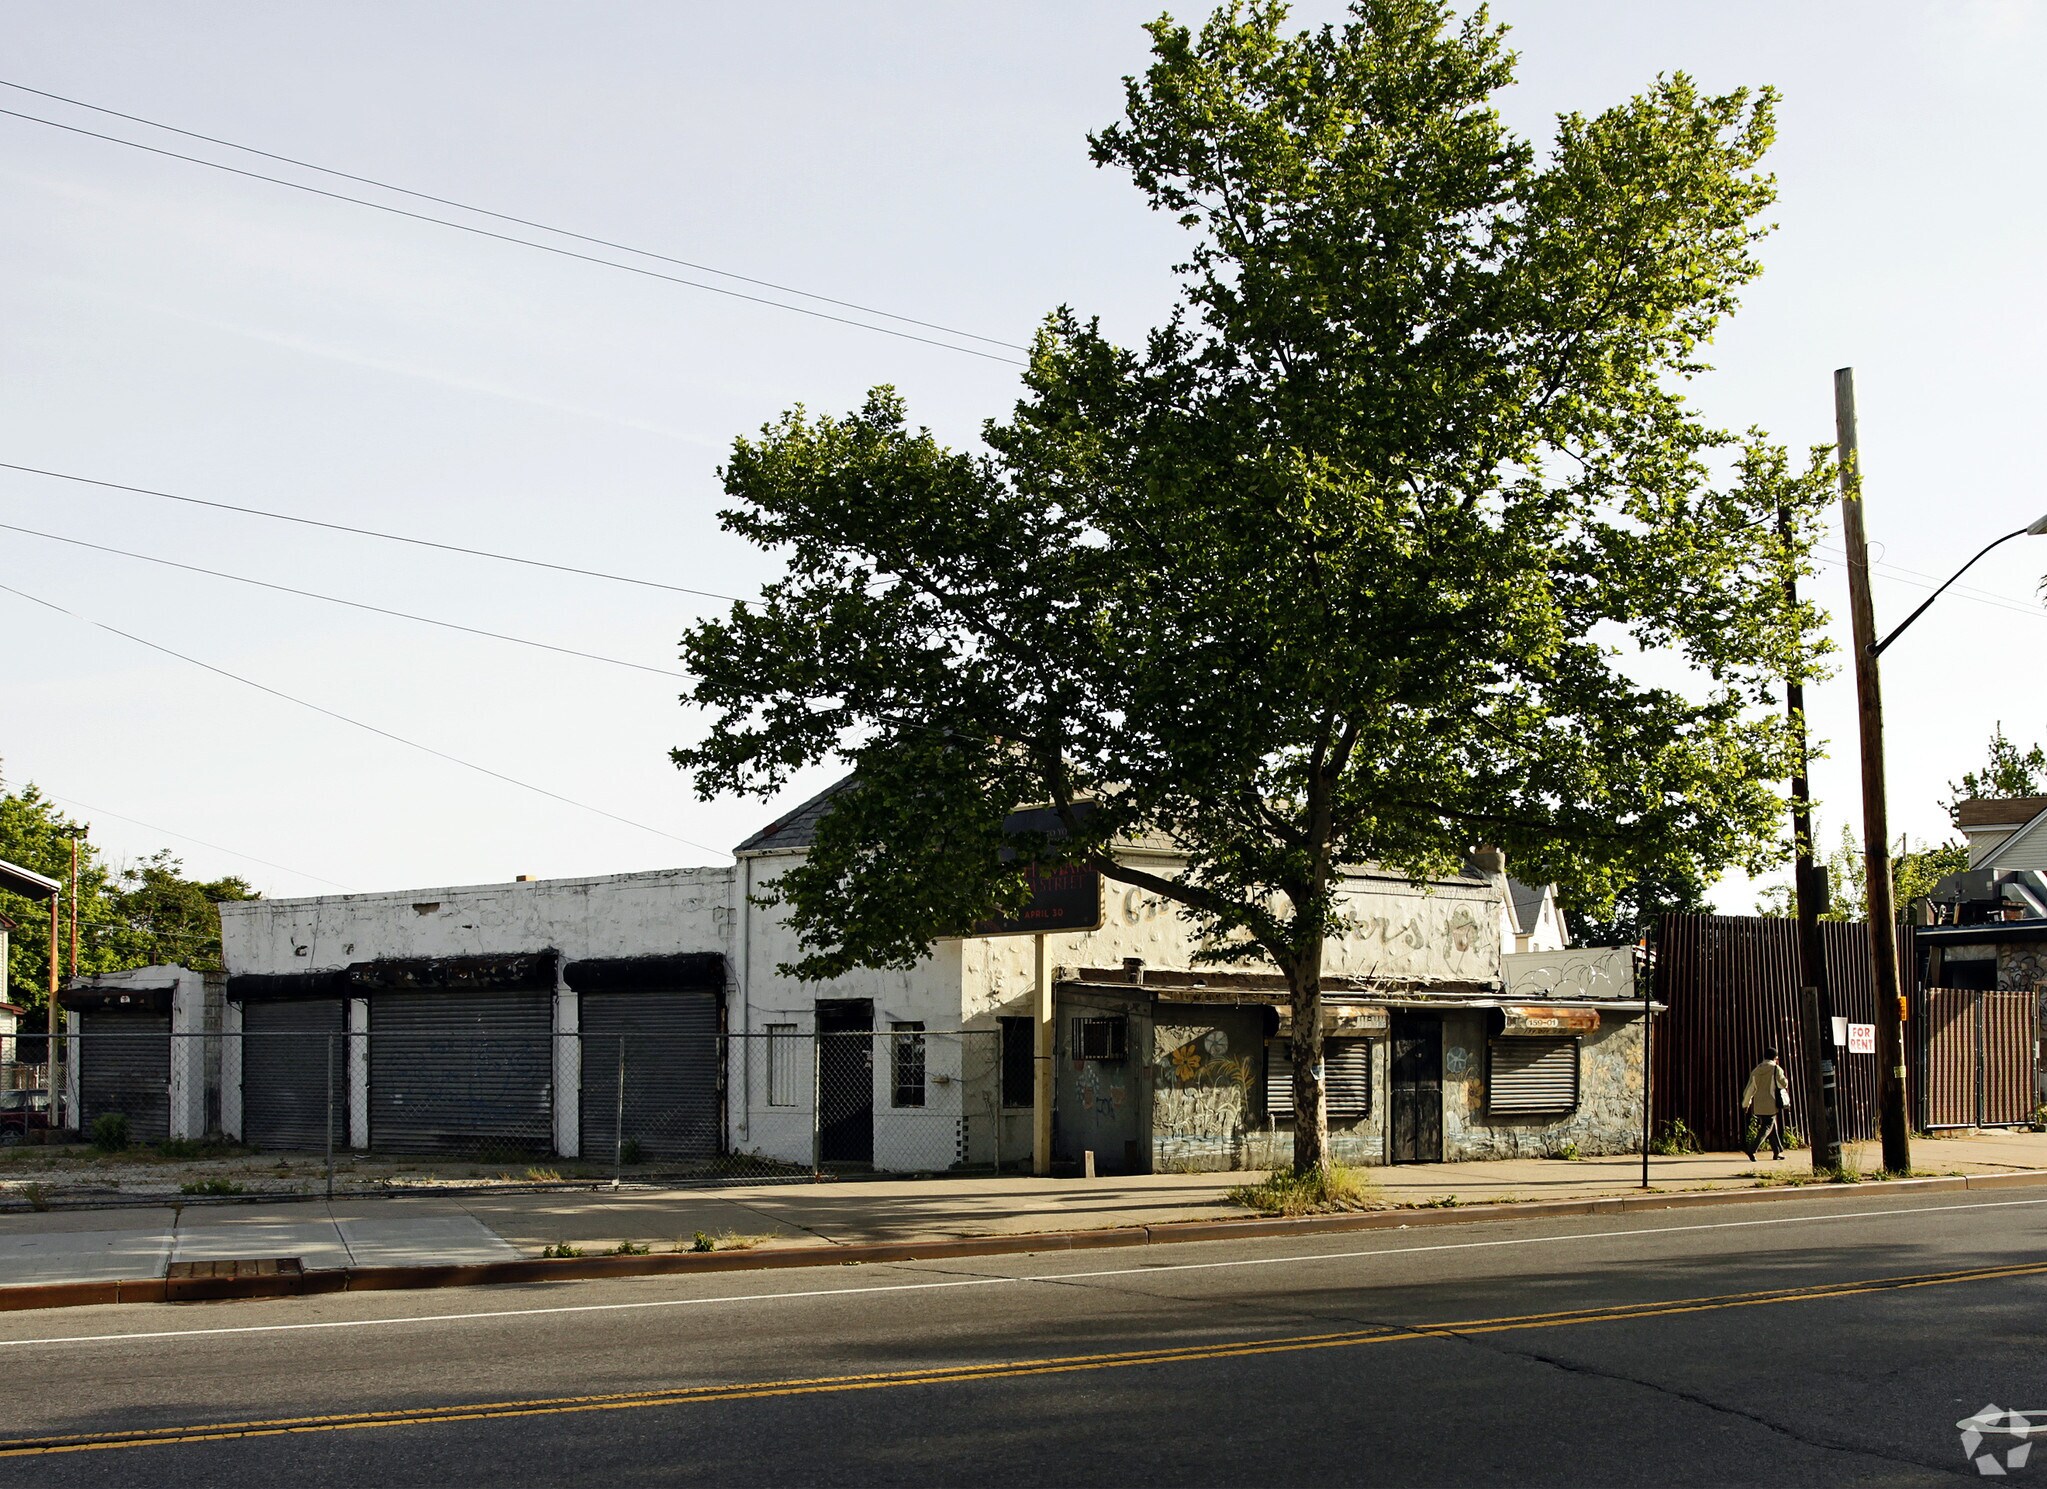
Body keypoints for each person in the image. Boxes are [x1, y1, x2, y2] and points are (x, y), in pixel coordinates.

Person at [1740, 1047, 1791, 1161]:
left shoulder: (1756, 1070)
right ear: (1775, 1058)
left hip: (1759, 1105)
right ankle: (1752, 1149)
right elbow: (1784, 1084)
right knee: (1767, 1127)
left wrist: (1746, 1104)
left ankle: (1777, 1152)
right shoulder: (1776, 1069)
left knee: (1772, 1127)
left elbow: (1750, 1089)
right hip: (1771, 1103)